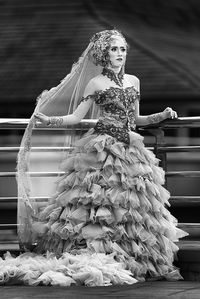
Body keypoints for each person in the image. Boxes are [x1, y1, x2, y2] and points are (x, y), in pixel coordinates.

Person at [0, 29, 188, 287]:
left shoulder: (134, 81)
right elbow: (77, 117)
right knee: (96, 205)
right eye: (114, 49)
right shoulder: (96, 83)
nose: (119, 54)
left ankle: (129, 257)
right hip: (101, 149)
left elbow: (138, 119)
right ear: (103, 53)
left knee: (130, 210)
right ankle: (98, 253)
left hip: (130, 150)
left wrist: (162, 116)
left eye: (122, 49)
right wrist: (50, 120)